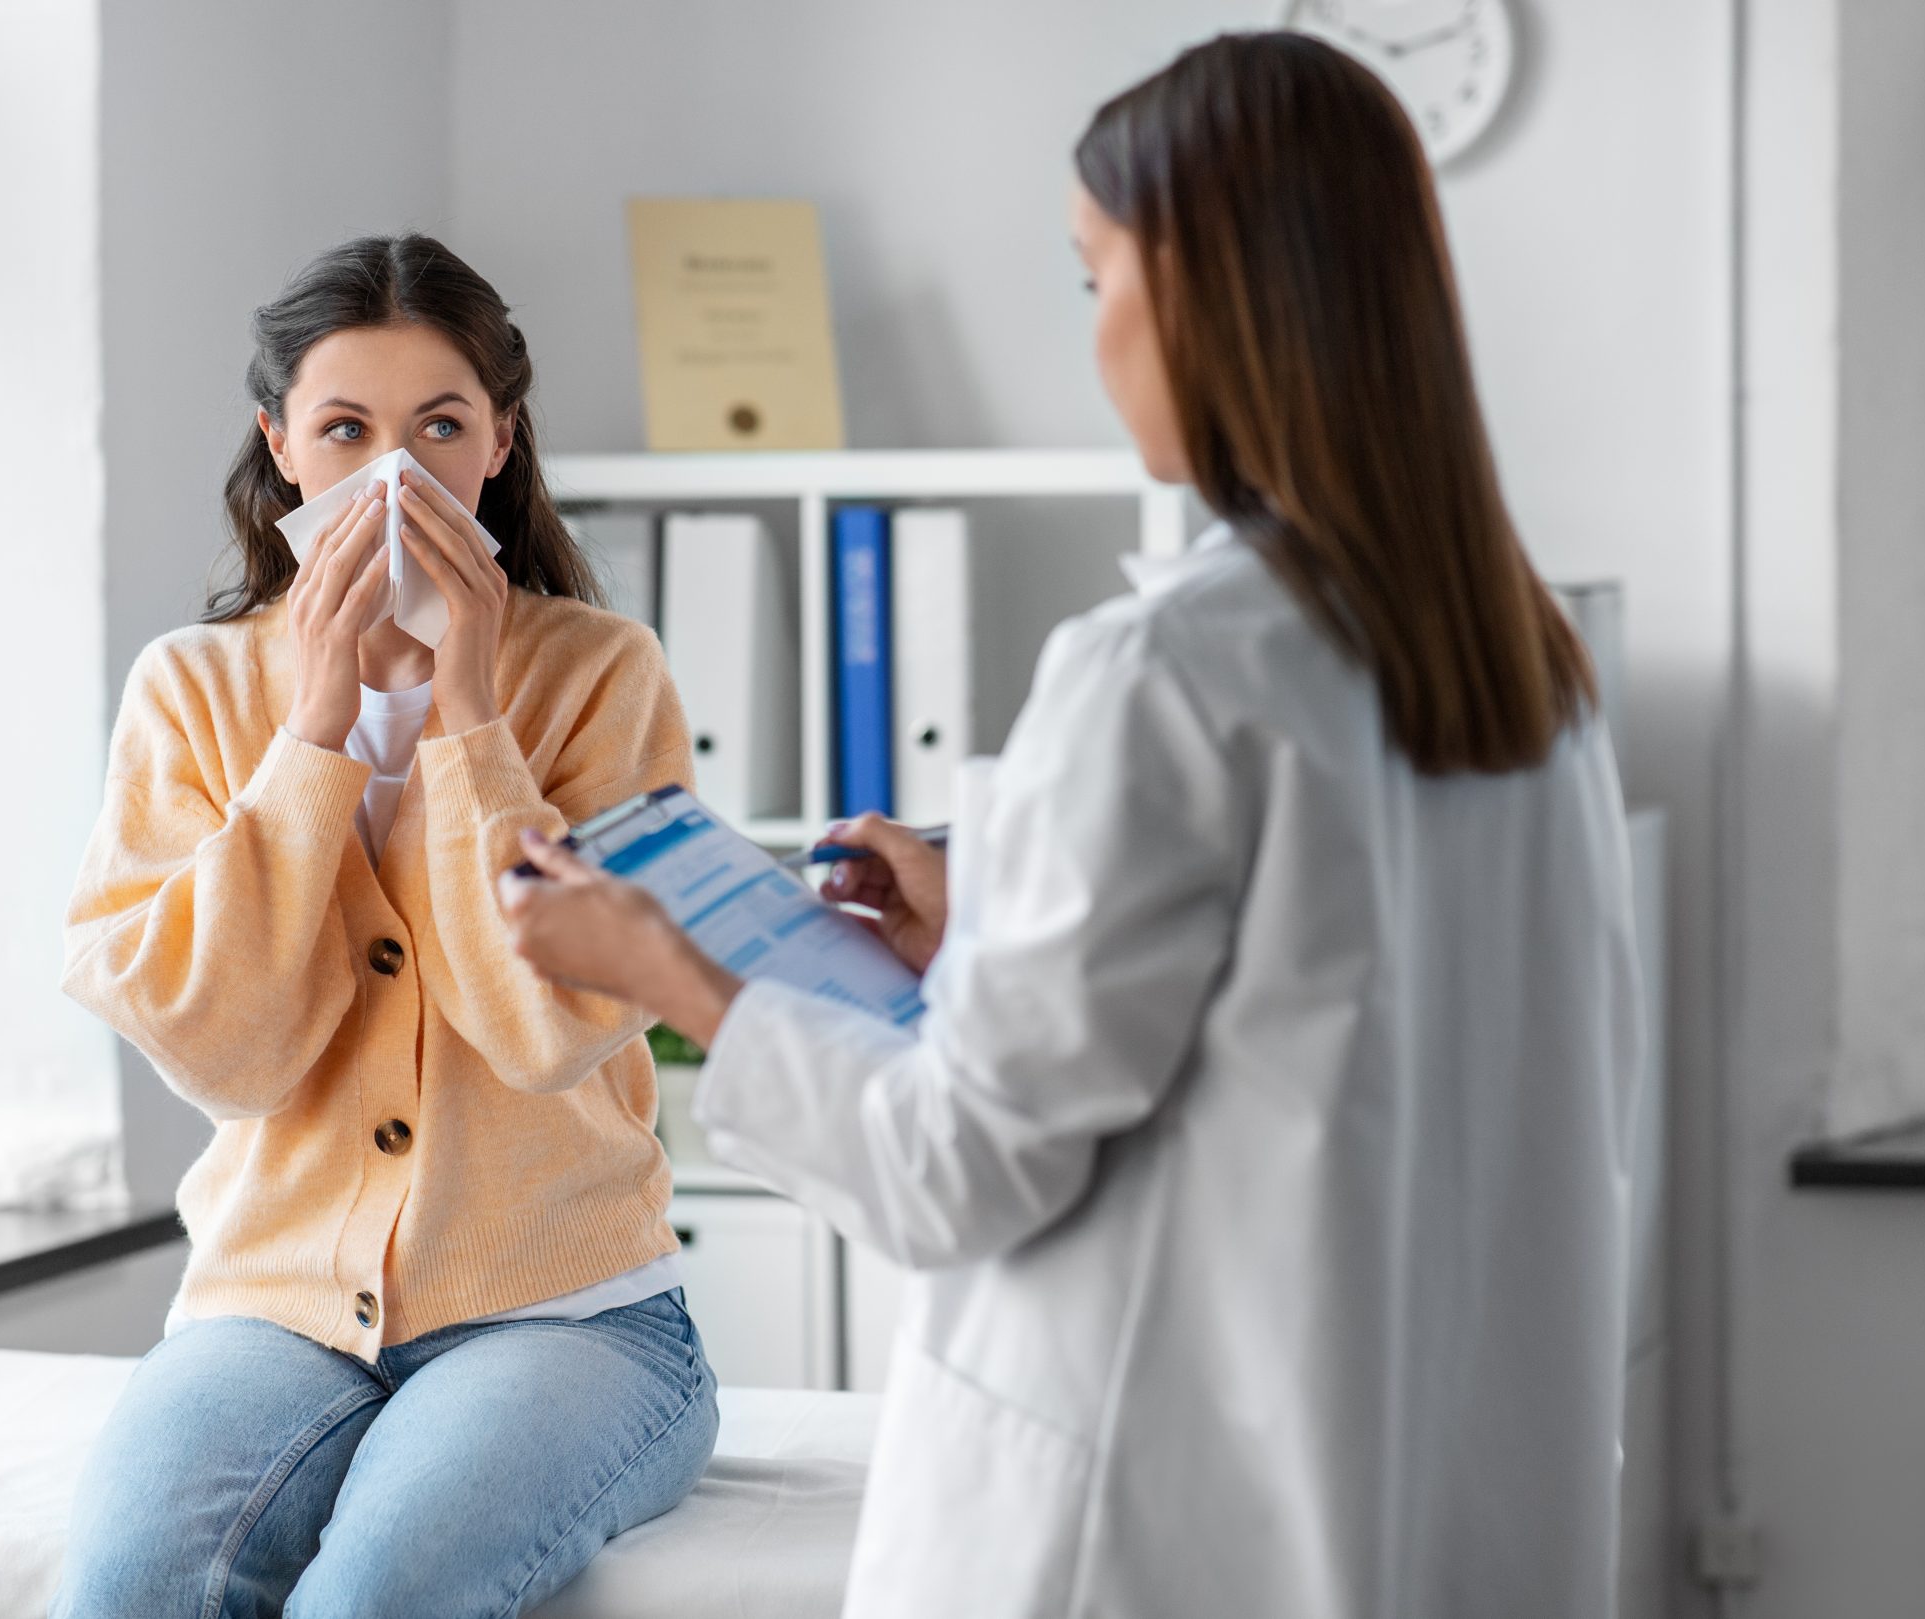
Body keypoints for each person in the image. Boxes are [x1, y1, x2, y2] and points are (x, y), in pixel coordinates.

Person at [498, 34, 1641, 1619]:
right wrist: (991, 923)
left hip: (1165, 1541)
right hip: (1438, 1516)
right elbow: (1331, 1038)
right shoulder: (1529, 663)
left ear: (1207, 294)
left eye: (1096, 277)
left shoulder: (1167, 670)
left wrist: (676, 972)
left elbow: (956, 1169)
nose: (1097, 336)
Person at [49, 234, 717, 1619]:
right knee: (125, 1591)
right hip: (271, 1308)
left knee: (375, 1601)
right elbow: (225, 1054)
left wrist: (471, 717)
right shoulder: (191, 690)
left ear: (500, 447)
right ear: (281, 444)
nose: (391, 472)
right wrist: (314, 731)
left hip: (571, 1321)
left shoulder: (601, 676)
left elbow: (549, 1033)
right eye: (345, 428)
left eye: (440, 428)